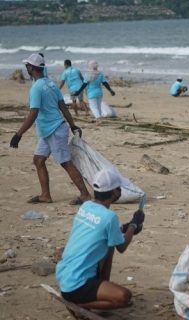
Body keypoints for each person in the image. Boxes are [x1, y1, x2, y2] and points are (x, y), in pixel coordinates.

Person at [56, 168, 145, 310]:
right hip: (77, 285)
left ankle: (97, 289)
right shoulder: (110, 217)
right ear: (115, 192)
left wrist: (125, 229)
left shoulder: (86, 206)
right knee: (124, 297)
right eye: (119, 188)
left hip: (65, 277)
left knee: (110, 245)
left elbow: (100, 231)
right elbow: (121, 247)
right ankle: (79, 304)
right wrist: (134, 225)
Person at [9, 53, 91, 205]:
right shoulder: (51, 83)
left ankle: (85, 194)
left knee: (65, 162)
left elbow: (33, 113)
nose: (26, 67)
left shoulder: (36, 88)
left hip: (54, 130)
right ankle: (45, 195)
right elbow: (63, 107)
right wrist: (72, 125)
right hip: (49, 131)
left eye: (27, 65)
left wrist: (18, 134)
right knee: (38, 160)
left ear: (32, 68)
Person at [74, 60, 115, 125]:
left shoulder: (87, 75)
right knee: (98, 107)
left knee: (93, 107)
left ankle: (99, 119)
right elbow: (105, 83)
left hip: (91, 94)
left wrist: (78, 92)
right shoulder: (100, 74)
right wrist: (110, 90)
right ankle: (99, 119)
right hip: (99, 93)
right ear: (97, 66)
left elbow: (84, 85)